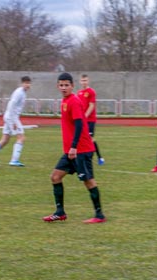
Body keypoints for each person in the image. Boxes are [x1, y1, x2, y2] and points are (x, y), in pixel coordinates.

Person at [43, 72, 106, 224]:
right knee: (55, 177)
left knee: (88, 181)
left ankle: (99, 215)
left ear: (72, 86)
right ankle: (60, 212)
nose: (64, 88)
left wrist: (73, 147)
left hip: (81, 150)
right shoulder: (64, 101)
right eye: (61, 85)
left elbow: (79, 124)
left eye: (66, 85)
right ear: (58, 86)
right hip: (71, 151)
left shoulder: (74, 101)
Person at [0, 76, 32, 167]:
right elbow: (11, 105)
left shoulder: (23, 93)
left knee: (5, 140)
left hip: (10, 117)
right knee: (21, 137)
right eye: (25, 83)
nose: (27, 85)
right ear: (22, 84)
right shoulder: (19, 93)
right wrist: (13, 121)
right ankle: (14, 160)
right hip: (12, 117)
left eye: (29, 83)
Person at [77, 74, 105, 165]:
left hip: (90, 120)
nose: (84, 82)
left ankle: (100, 157)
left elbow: (91, 106)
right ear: (80, 81)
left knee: (90, 139)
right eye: (82, 80)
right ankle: (85, 157)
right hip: (82, 119)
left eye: (85, 80)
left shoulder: (91, 92)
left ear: (88, 81)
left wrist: (85, 117)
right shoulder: (79, 93)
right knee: (82, 139)